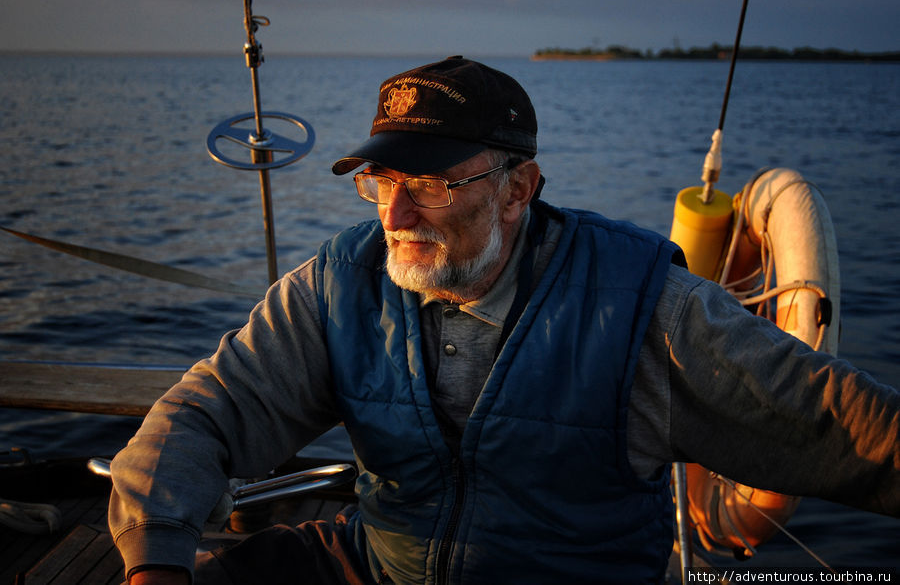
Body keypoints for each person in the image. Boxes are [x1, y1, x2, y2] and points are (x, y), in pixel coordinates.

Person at [109, 57, 899, 585]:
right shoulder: (341, 283)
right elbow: (213, 409)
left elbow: (837, 426)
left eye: (430, 182)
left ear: (518, 189)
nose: (395, 211)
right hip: (376, 563)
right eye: (381, 180)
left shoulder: (640, 308)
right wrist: (154, 554)